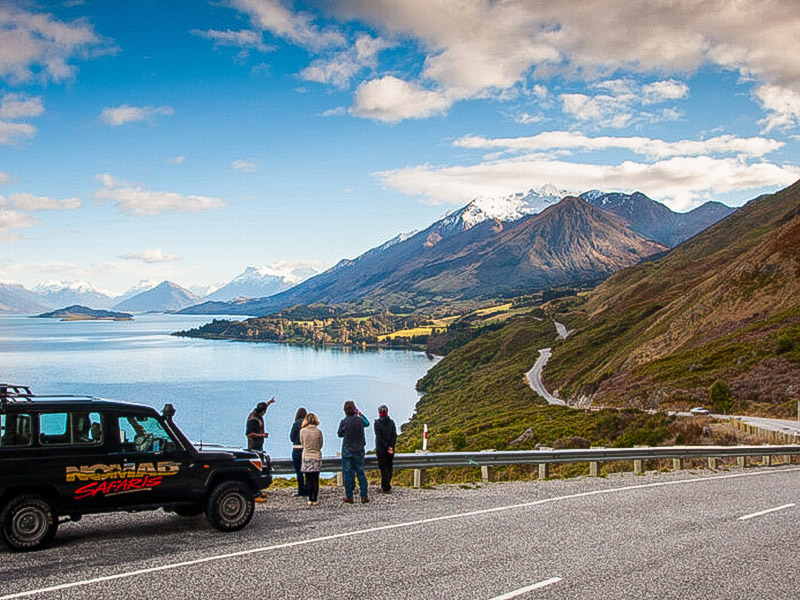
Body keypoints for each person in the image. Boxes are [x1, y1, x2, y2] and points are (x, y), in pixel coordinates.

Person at [337, 400, 370, 504]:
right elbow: (367, 423)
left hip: (347, 450)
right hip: (359, 450)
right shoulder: (360, 420)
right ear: (355, 410)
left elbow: (339, 434)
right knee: (360, 472)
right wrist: (361, 414)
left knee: (348, 473)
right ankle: (364, 496)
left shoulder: (344, 421)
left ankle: (349, 496)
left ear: (345, 411)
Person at [300, 413, 323, 506]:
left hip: (306, 456)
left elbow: (302, 443)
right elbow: (321, 444)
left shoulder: (302, 431)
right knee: (315, 479)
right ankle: (315, 498)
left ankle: (310, 499)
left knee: (308, 479)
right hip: (316, 456)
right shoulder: (318, 431)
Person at [374, 405, 397, 493]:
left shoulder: (377, 423)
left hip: (381, 450)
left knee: (383, 468)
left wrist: (386, 447)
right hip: (390, 449)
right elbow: (394, 435)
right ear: (387, 412)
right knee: (389, 467)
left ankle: (386, 487)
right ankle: (386, 485)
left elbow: (379, 437)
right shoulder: (391, 422)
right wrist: (391, 447)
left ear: (379, 412)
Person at [289, 407, 308, 497]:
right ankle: (308, 489)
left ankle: (301, 490)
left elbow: (292, 437)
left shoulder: (296, 424)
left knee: (299, 472)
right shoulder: (308, 424)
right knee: (308, 471)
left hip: (297, 449)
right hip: (306, 449)